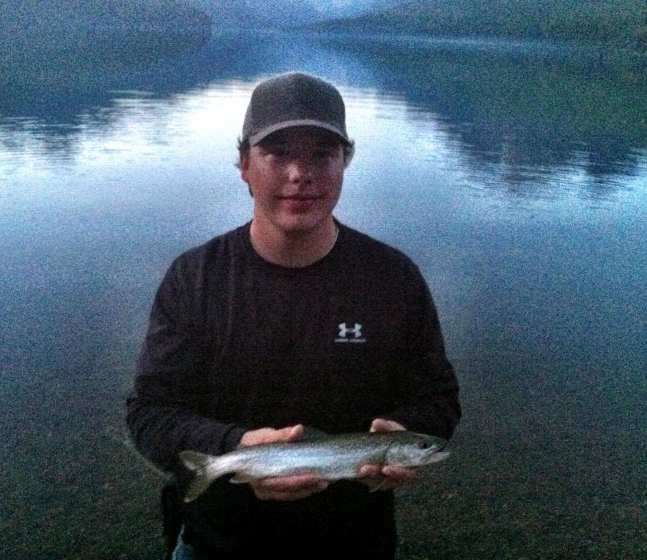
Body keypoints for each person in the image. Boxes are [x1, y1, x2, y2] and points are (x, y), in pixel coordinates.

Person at [126, 72, 461, 560]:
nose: (299, 174)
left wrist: (401, 428)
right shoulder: (196, 279)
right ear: (244, 164)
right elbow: (150, 416)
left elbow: (438, 399)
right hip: (218, 544)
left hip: (354, 545)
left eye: (321, 154)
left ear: (346, 161)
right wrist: (238, 446)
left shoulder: (393, 279)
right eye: (278, 152)